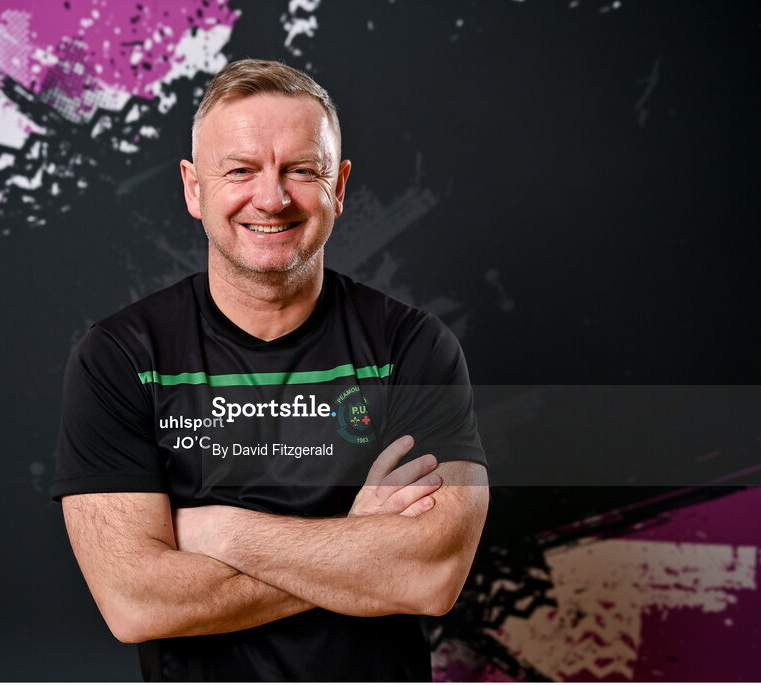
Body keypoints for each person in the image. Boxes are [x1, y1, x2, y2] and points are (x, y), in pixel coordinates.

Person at [53, 59, 489, 681]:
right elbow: (135, 602)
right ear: (194, 188)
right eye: (240, 170)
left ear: (338, 186)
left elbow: (430, 576)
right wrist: (356, 544)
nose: (272, 197)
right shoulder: (120, 357)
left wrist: (221, 531)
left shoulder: (412, 348)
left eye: (301, 170)